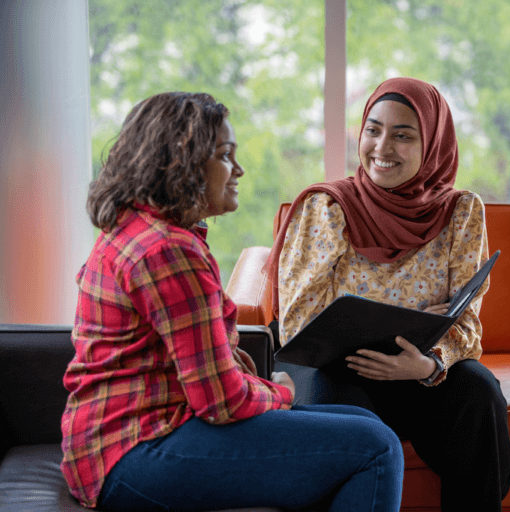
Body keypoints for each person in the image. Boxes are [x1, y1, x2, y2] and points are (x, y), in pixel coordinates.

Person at [61, 92, 403, 512]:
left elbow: (211, 377)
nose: (238, 169)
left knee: (365, 424)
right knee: (376, 447)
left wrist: (268, 391)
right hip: (132, 454)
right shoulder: (167, 251)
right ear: (181, 164)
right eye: (225, 155)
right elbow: (220, 400)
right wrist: (279, 394)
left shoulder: (141, 227)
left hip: (133, 436)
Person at [265, 77, 510, 512]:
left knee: (478, 389)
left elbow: (466, 320)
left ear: (433, 144)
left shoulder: (462, 213)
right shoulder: (327, 208)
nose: (382, 147)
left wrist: (427, 364)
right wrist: (416, 314)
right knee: (345, 423)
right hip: (335, 367)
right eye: (373, 130)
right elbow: (299, 320)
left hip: (416, 368)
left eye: (403, 135)